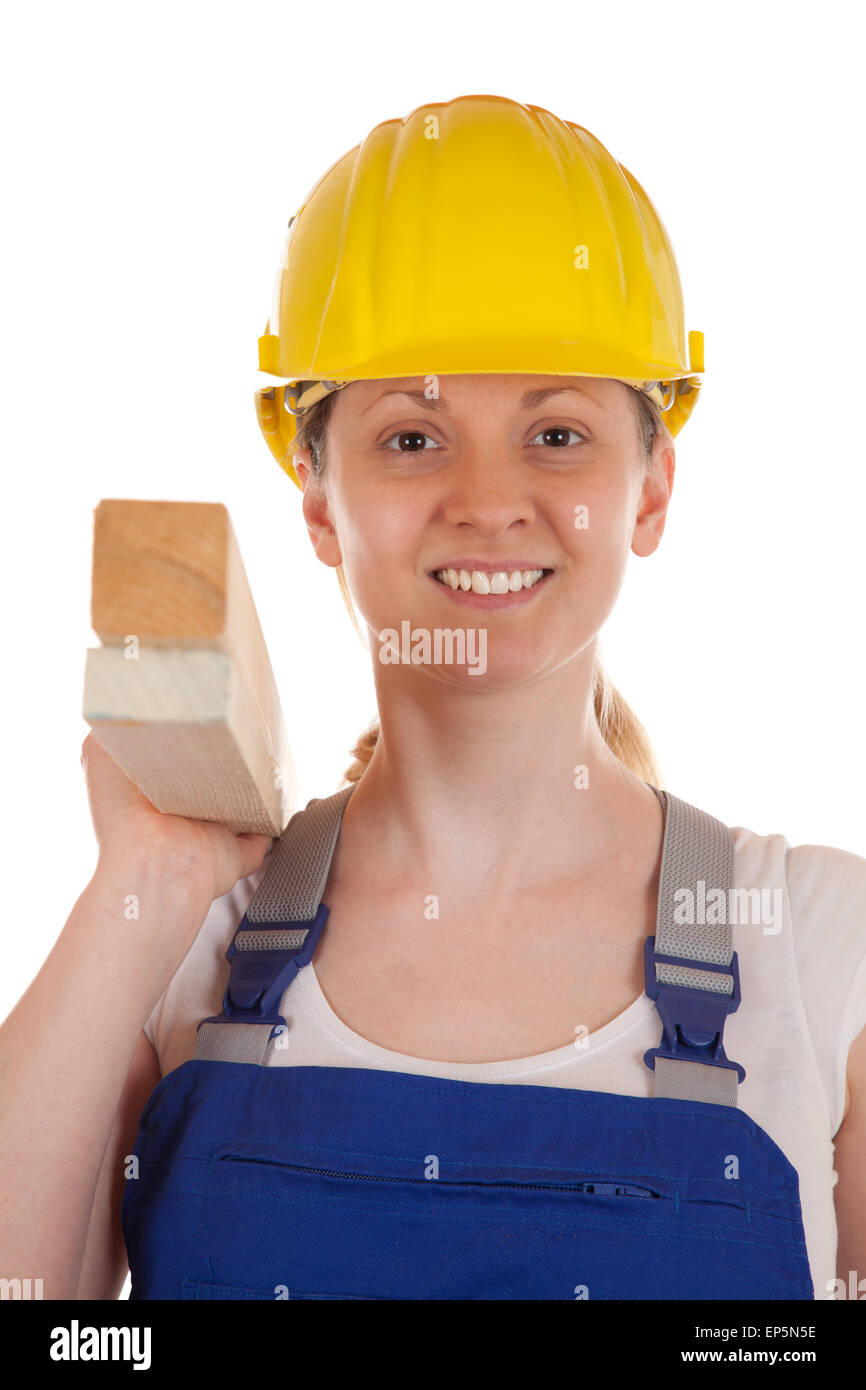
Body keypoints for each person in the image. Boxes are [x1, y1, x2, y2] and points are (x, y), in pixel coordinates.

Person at [2, 95, 864, 1302]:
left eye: (555, 432)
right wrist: (140, 883)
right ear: (316, 496)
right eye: (412, 438)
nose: (486, 499)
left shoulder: (817, 946)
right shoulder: (178, 945)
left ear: (651, 487)